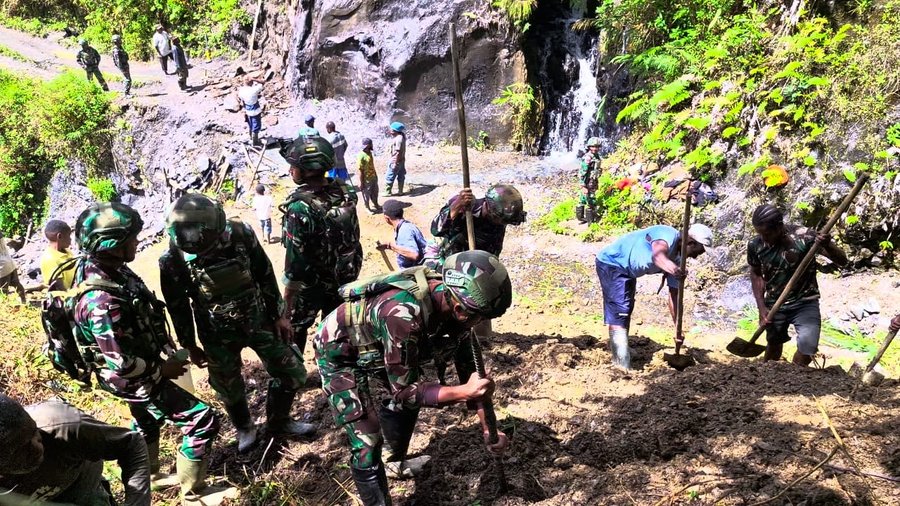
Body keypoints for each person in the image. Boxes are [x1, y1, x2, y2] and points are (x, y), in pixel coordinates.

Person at [314, 250, 512, 505]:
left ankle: (394, 461)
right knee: (367, 439)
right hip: (340, 352)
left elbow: (473, 375)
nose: (481, 323)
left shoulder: (457, 316)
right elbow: (406, 393)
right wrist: (463, 392)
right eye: (480, 317)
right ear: (460, 309)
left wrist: (488, 430)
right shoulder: (402, 315)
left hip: (379, 347)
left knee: (411, 399)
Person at [69, 202, 225, 503]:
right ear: (111, 244)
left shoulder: (107, 268)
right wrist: (160, 371)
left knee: (145, 421)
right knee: (202, 420)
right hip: (133, 377)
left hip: (131, 375)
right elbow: (121, 362)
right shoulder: (101, 300)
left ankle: (150, 475)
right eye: (131, 237)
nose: (137, 241)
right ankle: (194, 492)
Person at [159, 194, 315, 454]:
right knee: (227, 386)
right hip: (216, 334)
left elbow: (265, 272)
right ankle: (245, 427)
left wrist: (280, 315)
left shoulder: (241, 233)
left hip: (260, 320)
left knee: (293, 372)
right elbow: (178, 306)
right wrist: (189, 344)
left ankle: (280, 421)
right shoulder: (172, 259)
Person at [279, 135, 362, 353]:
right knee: (335, 326)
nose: (290, 171)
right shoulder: (345, 191)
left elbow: (295, 263)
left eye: (293, 166)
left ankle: (296, 372)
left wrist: (286, 307)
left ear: (305, 170)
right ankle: (334, 367)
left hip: (311, 285)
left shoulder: (299, 208)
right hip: (344, 276)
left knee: (297, 326)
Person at [595, 223, 713, 370]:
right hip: (612, 263)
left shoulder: (677, 260)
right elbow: (658, 256)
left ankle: (621, 345)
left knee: (627, 306)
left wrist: (678, 326)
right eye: (698, 251)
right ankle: (620, 361)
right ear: (690, 243)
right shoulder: (667, 235)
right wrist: (673, 269)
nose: (696, 257)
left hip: (628, 270)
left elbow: (674, 295)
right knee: (620, 310)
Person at [0, 394, 150, 505]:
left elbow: (131, 444)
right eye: (22, 449)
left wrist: (137, 502)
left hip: (85, 492)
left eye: (34, 432)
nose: (37, 446)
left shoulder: (60, 425)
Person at [748, 204, 848, 366]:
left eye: (767, 233)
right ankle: (765, 377)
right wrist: (761, 308)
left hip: (805, 301)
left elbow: (842, 261)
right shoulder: (756, 245)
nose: (764, 238)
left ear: (779, 227)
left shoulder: (805, 237)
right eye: (759, 233)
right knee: (773, 346)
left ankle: (794, 378)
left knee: (808, 348)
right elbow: (756, 273)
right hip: (775, 303)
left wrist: (828, 244)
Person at [430, 184, 527, 263]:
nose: (502, 224)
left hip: (483, 264)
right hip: (454, 262)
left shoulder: (504, 215)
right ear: (490, 211)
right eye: (501, 220)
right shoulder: (465, 208)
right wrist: (456, 206)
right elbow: (435, 230)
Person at [378, 200, 427, 268]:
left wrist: (390, 246)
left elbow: (414, 254)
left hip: (416, 272)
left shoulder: (405, 230)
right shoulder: (405, 226)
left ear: (387, 218)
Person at [40, 219, 75, 291]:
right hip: (62, 298)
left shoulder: (67, 252)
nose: (70, 239)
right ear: (60, 236)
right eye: (69, 236)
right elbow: (60, 288)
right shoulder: (50, 259)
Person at [578, 137, 602, 223]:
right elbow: (582, 172)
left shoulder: (596, 156)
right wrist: (582, 185)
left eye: (597, 147)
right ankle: (590, 221)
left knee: (584, 198)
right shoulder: (588, 157)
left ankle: (582, 218)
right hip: (587, 181)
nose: (595, 148)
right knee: (590, 200)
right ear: (589, 147)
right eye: (593, 146)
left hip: (593, 181)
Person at [0, 229, 26, 304]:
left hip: (1, 267)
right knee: (16, 284)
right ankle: (24, 301)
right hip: (10, 262)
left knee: (3, 291)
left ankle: (5, 308)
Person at [238, 76, 264, 146]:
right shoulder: (254, 90)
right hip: (255, 110)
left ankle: (250, 137)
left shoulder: (241, 91)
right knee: (256, 125)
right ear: (251, 82)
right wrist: (255, 79)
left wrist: (244, 110)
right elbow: (263, 82)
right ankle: (255, 142)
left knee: (251, 124)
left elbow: (242, 101)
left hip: (248, 110)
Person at [357, 138, 381, 213]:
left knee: (375, 192)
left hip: (373, 176)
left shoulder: (370, 153)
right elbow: (360, 170)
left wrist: (375, 175)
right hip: (366, 179)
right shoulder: (361, 156)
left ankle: (376, 204)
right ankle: (367, 208)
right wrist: (361, 182)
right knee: (366, 194)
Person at [383, 122, 406, 197]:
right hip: (401, 160)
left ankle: (387, 192)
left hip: (396, 160)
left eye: (391, 129)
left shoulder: (398, 139)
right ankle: (400, 191)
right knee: (401, 175)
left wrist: (395, 163)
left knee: (390, 175)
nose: (390, 131)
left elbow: (397, 152)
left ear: (395, 130)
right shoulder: (401, 136)